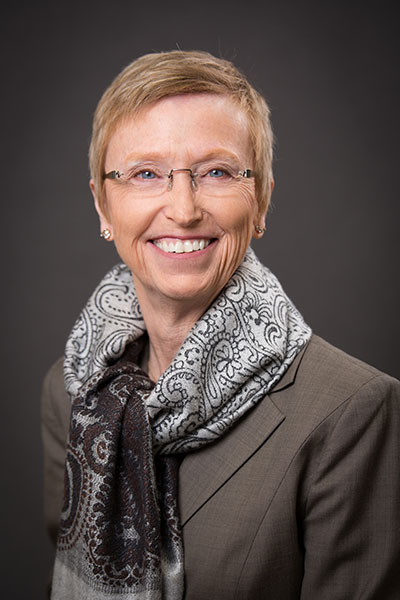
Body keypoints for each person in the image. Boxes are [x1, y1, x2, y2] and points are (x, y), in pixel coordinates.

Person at [41, 50, 400, 600]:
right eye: (145, 174)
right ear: (103, 206)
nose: (183, 209)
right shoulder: (73, 393)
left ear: (260, 201)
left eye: (216, 172)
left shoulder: (354, 412)